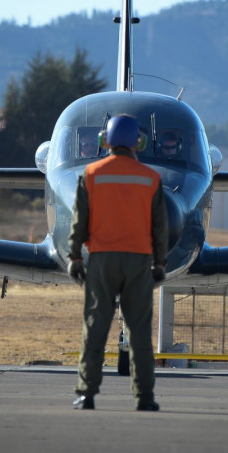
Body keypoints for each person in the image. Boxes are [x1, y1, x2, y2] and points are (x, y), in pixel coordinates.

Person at [68, 114, 168, 411]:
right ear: (139, 143)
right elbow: (159, 226)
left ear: (105, 140)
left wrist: (74, 256)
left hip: (101, 260)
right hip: (139, 262)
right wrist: (160, 263)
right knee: (139, 333)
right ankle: (145, 398)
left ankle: (87, 395)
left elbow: (79, 221)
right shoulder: (150, 178)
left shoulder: (91, 174)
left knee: (95, 327)